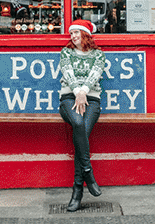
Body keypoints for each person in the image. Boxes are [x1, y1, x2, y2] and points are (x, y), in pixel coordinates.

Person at [59, 18, 105, 211]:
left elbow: (95, 74)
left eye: (76, 32)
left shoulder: (98, 54)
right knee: (78, 124)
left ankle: (77, 191)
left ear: (85, 34)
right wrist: (78, 92)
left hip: (92, 99)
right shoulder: (66, 52)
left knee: (82, 134)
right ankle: (87, 171)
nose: (73, 36)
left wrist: (84, 92)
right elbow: (68, 74)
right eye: (71, 33)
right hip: (68, 98)